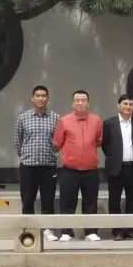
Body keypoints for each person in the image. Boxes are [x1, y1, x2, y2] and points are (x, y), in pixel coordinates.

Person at [53, 90, 102, 241]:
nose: (80, 103)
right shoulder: (64, 121)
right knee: (67, 203)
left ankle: (90, 232)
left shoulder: (96, 121)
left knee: (90, 203)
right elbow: (57, 143)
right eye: (77, 100)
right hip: (70, 170)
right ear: (72, 103)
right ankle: (67, 232)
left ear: (88, 103)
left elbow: (98, 141)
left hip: (91, 171)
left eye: (83, 100)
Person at [14, 85, 60, 241]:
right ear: (32, 98)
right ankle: (30, 229)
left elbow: (59, 141)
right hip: (28, 167)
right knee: (28, 199)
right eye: (38, 95)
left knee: (48, 200)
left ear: (47, 98)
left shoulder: (55, 118)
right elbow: (18, 142)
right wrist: (26, 156)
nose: (41, 98)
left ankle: (48, 231)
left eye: (44, 95)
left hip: (48, 167)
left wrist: (53, 155)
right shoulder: (23, 118)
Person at [101, 94, 133, 241]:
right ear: (118, 105)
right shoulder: (109, 123)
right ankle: (117, 231)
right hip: (116, 168)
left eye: (131, 104)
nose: (128, 107)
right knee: (114, 201)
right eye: (125, 104)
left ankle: (130, 230)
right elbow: (105, 145)